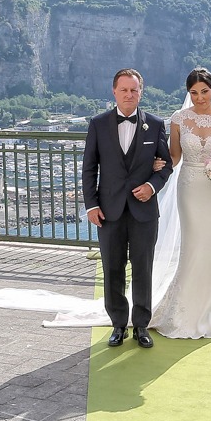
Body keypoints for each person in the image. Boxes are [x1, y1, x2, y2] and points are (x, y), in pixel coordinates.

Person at [149, 67, 211, 339]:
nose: (199, 97)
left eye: (204, 91)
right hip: (190, 189)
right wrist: (159, 163)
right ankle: (184, 312)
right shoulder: (179, 118)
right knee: (193, 246)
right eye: (193, 92)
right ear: (188, 93)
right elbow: (175, 156)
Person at [81, 68, 172, 347]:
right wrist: (91, 205)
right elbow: (89, 169)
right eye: (124, 90)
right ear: (114, 92)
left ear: (141, 92)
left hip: (144, 212)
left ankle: (141, 325)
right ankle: (118, 324)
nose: (129, 94)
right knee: (112, 268)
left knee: (143, 268)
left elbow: (166, 165)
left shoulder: (155, 125)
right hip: (109, 211)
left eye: (134, 90)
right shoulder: (97, 124)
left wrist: (152, 186)